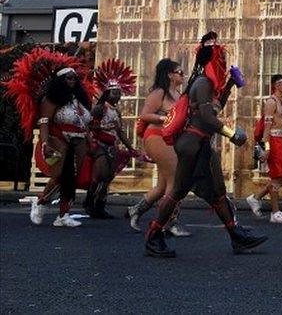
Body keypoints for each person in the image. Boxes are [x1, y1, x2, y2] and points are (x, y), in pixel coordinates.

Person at [144, 32, 266, 258]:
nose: (223, 63)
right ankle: (152, 236)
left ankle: (236, 235)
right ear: (211, 60)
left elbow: (216, 107)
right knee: (178, 192)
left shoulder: (207, 85)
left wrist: (230, 83)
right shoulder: (202, 83)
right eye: (220, 59)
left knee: (217, 191)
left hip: (200, 144)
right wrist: (231, 134)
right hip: (193, 145)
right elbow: (208, 118)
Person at [3, 49, 93, 228]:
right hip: (58, 140)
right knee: (59, 175)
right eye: (68, 78)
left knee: (71, 178)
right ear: (60, 81)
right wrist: (45, 143)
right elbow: (44, 122)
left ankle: (63, 215)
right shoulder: (51, 99)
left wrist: (89, 138)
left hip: (79, 141)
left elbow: (85, 122)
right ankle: (41, 201)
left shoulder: (79, 99)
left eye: (74, 78)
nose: (72, 81)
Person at [127, 59, 190, 236]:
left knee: (163, 186)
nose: (182, 75)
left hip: (171, 138)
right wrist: (166, 118)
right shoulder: (159, 92)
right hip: (157, 136)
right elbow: (145, 115)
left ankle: (136, 210)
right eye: (179, 72)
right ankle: (170, 222)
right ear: (170, 74)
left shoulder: (178, 94)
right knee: (176, 180)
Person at [84, 59, 139, 219]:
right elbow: (88, 127)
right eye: (115, 92)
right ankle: (89, 203)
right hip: (100, 145)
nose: (119, 95)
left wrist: (130, 148)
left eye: (120, 92)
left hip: (112, 147)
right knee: (99, 176)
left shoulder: (116, 111)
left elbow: (120, 132)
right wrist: (102, 128)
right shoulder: (99, 108)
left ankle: (100, 207)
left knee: (107, 178)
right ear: (108, 93)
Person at [247, 74, 282, 224]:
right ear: (277, 85)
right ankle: (275, 213)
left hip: (280, 140)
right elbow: (267, 126)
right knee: (276, 177)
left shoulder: (281, 101)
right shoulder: (271, 102)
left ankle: (256, 198)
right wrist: (266, 147)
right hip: (272, 141)